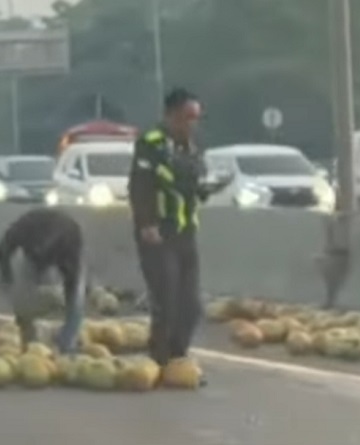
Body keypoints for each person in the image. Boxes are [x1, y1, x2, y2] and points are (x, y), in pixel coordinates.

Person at [128, 87, 229, 385]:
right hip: (159, 234)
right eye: (187, 117)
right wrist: (146, 223)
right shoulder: (152, 144)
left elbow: (191, 185)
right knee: (166, 301)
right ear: (171, 115)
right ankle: (159, 361)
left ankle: (178, 359)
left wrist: (208, 188)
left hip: (186, 233)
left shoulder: (190, 147)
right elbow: (140, 185)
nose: (192, 124)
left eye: (196, 118)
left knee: (191, 305)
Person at [0, 208, 86, 354]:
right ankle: (29, 341)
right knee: (22, 302)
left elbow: (72, 284)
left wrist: (64, 305)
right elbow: (2, 251)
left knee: (76, 299)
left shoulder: (69, 242)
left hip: (62, 246)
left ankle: (67, 343)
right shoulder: (22, 229)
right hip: (34, 250)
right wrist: (8, 281)